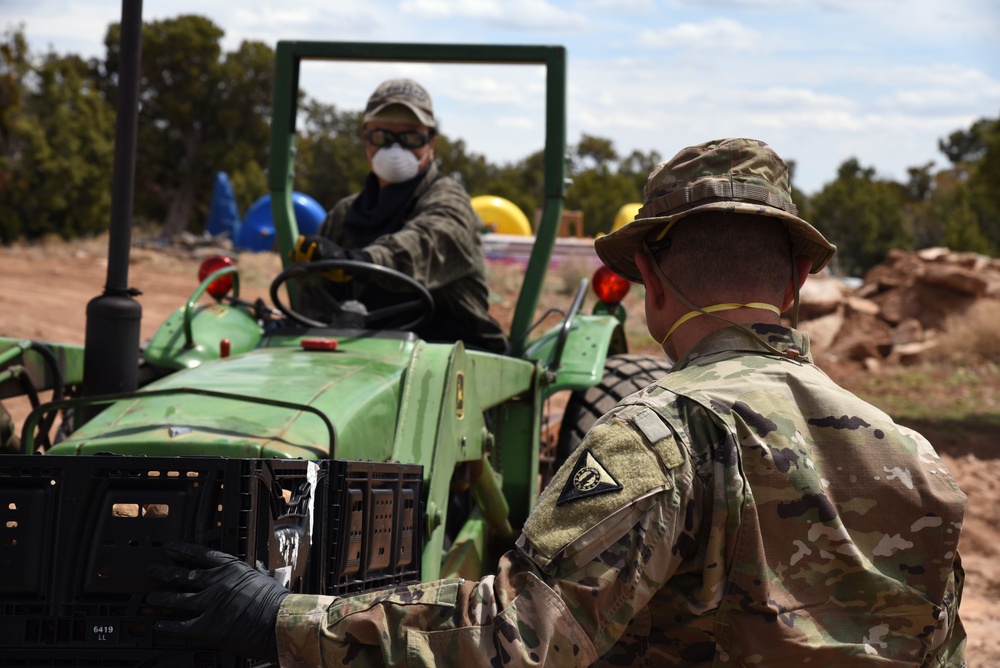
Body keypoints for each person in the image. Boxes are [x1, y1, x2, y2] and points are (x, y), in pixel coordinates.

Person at [148, 138, 967, 666]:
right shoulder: (916, 459)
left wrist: (280, 618)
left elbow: (512, 640)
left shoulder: (659, 436)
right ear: (796, 281)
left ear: (650, 281)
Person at [290, 78, 508, 354]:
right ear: (365, 140)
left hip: (452, 355)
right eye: (382, 137)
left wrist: (360, 262)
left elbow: (420, 245)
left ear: (432, 143)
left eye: (411, 138)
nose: (395, 150)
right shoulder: (344, 214)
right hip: (360, 352)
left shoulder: (450, 203)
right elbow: (317, 305)